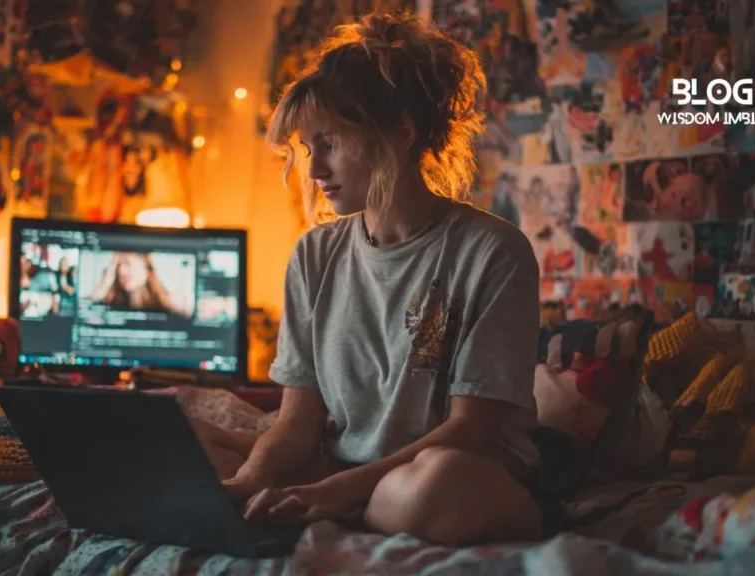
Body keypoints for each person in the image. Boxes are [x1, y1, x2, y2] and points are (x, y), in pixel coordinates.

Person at [195, 12, 548, 546]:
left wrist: (337, 493)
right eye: (308, 149)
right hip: (338, 469)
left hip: (446, 475)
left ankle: (352, 510)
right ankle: (330, 506)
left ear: (400, 135)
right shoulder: (315, 253)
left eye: (329, 144)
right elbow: (296, 425)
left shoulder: (493, 252)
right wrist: (249, 483)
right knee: (183, 440)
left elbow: (472, 431)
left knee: (438, 485)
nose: (314, 170)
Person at [90, 252, 189, 316]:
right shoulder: (110, 304)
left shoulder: (170, 303)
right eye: (118, 265)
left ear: (147, 270)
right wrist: (103, 287)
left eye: (127, 263)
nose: (121, 270)